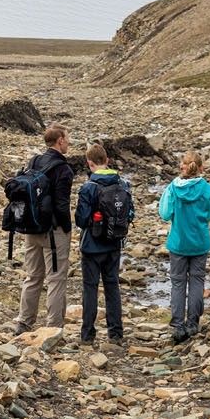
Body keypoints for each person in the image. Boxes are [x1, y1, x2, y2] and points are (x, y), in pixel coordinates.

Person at [11, 124, 74, 335]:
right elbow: (62, 205)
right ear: (60, 141)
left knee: (33, 276)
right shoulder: (64, 169)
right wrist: (67, 228)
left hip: (30, 227)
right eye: (67, 138)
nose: (69, 142)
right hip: (53, 232)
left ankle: (24, 322)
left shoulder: (34, 161)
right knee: (56, 279)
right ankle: (54, 326)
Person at [74, 142, 134, 344]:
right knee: (112, 286)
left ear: (89, 163)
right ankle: (116, 333)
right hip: (114, 243)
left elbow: (81, 220)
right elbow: (130, 213)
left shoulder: (89, 187)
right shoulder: (123, 184)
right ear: (107, 160)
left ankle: (88, 334)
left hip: (91, 245)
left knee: (90, 288)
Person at [158, 150, 210, 343]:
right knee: (197, 281)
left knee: (177, 282)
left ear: (183, 167)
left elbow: (165, 214)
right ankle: (193, 323)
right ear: (201, 168)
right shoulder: (208, 189)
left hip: (178, 242)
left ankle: (177, 324)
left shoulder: (173, 188)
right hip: (199, 242)